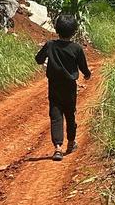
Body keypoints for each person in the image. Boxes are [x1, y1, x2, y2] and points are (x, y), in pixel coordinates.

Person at [35, 14, 91, 161]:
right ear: (74, 31)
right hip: (70, 88)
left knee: (56, 116)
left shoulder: (50, 45)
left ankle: (57, 148)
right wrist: (87, 74)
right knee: (70, 114)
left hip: (54, 86)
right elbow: (83, 67)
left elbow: (38, 59)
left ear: (56, 29)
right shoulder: (76, 48)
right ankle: (71, 142)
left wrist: (47, 58)